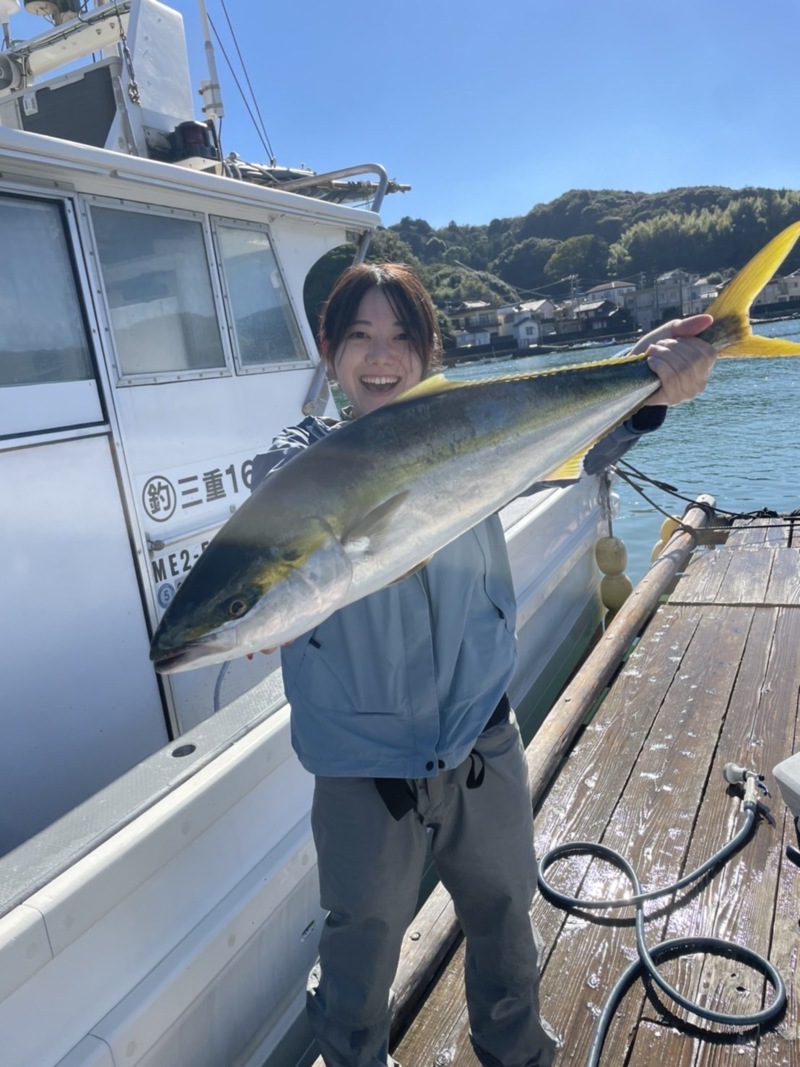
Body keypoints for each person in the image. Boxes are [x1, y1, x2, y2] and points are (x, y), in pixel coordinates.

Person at [250, 263, 716, 1067]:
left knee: (505, 907)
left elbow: (576, 443)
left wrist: (647, 394)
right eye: (359, 335)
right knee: (361, 936)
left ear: (429, 353)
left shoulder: (470, 429)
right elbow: (272, 499)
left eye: (401, 336)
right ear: (328, 352)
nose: (381, 355)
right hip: (360, 769)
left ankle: (516, 1052)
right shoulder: (299, 459)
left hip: (480, 741)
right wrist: (258, 586)